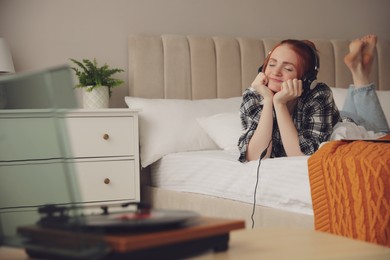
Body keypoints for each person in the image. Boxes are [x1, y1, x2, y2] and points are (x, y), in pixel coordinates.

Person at [238, 34, 389, 162]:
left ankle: (359, 72)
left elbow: (301, 156)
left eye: (288, 68)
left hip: (348, 124)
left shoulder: (318, 93)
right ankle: (358, 68)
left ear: (306, 79)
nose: (275, 72)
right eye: (271, 64)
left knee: (382, 134)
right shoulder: (254, 95)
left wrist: (280, 104)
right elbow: (255, 157)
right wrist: (269, 101)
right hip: (335, 118)